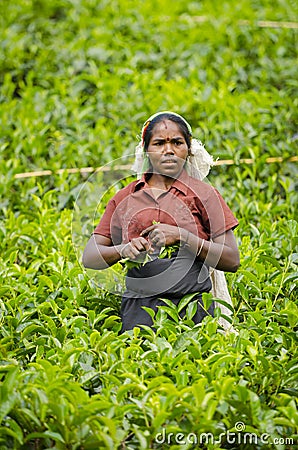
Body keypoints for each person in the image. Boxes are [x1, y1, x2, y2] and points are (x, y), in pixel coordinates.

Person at [82, 111, 240, 331]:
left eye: (177, 142)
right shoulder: (125, 198)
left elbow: (231, 259)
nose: (169, 150)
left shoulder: (204, 195)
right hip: (140, 311)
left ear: (188, 149)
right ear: (147, 150)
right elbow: (90, 256)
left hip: (194, 310)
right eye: (159, 143)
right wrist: (123, 249)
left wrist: (183, 237)